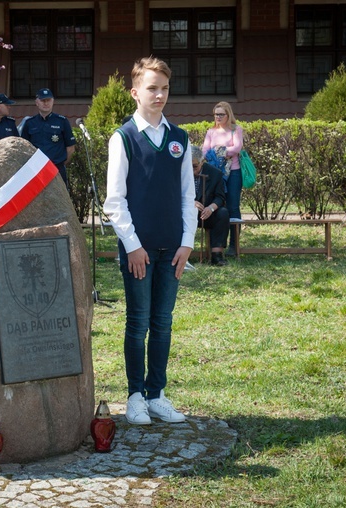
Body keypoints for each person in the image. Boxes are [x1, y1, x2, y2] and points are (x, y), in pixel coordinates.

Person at [103, 57, 196, 426]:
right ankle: (135, 396)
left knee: (163, 323)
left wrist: (186, 243)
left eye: (165, 88)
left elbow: (188, 196)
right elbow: (115, 201)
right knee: (138, 322)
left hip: (172, 248)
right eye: (152, 88)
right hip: (139, 251)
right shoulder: (123, 137)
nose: (159, 95)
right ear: (135, 92)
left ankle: (157, 394)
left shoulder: (179, 139)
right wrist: (132, 245)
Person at [201, 102, 243, 257]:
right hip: (216, 175)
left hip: (233, 173)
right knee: (218, 206)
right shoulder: (211, 131)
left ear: (228, 115)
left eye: (221, 114)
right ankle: (217, 245)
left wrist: (218, 152)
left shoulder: (235, 129)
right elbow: (204, 151)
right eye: (216, 114)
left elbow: (237, 148)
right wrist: (220, 153)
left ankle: (234, 245)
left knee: (233, 207)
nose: (218, 117)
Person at [20, 88, 76, 187]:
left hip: (57, 168)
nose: (46, 103)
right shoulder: (30, 123)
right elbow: (24, 147)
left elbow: (70, 148)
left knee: (60, 200)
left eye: (48, 100)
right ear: (37, 102)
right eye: (42, 100)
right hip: (36, 170)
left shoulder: (62, 121)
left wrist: (61, 162)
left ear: (53, 101)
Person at [191, 146, 229, 266]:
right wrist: (190, 203)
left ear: (202, 162)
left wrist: (211, 208)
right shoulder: (179, 172)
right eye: (189, 166)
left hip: (206, 213)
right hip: (186, 213)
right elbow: (173, 195)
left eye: (195, 167)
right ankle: (180, 254)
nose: (192, 171)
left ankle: (216, 255)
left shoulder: (215, 173)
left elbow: (220, 197)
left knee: (223, 213)